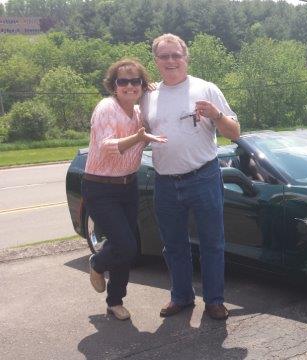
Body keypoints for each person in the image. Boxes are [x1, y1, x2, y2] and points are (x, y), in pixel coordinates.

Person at [140, 33, 240, 320]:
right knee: (173, 245)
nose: (171, 61)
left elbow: (235, 132)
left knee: (212, 243)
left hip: (203, 177)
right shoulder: (149, 96)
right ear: (156, 60)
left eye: (176, 55)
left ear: (186, 58)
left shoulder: (206, 89)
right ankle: (181, 297)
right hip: (165, 181)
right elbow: (141, 131)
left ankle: (214, 300)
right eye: (164, 56)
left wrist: (217, 115)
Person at [83, 59, 167, 320]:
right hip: (100, 186)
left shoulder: (140, 111)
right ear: (114, 85)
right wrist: (139, 138)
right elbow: (108, 145)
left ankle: (114, 301)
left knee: (125, 247)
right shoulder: (106, 108)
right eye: (123, 81)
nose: (129, 86)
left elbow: (150, 104)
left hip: (127, 185)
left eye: (136, 81)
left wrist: (151, 89)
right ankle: (97, 264)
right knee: (126, 245)